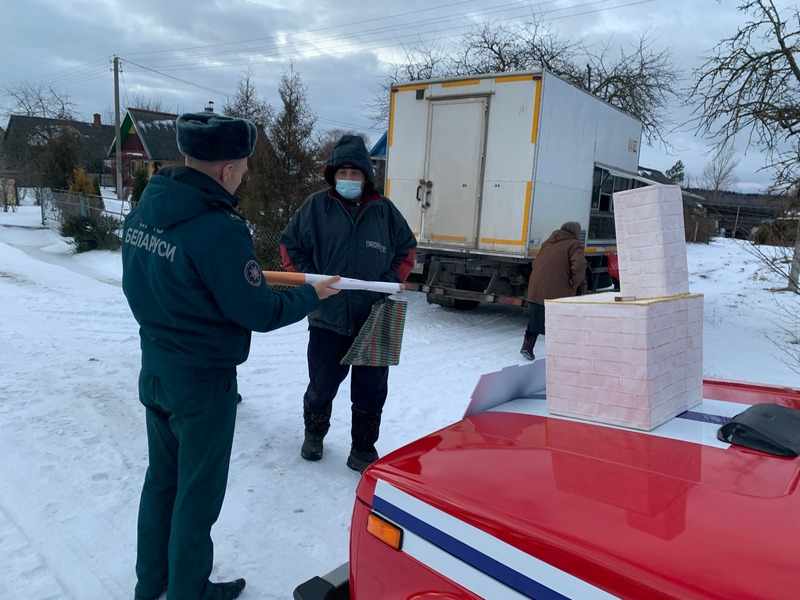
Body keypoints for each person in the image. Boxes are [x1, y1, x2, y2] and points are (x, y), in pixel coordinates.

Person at [122, 112, 340, 600]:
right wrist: (312, 294)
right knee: (196, 495)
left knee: (162, 482)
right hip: (202, 384)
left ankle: (151, 584)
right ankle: (188, 591)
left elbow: (143, 283)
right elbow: (259, 311)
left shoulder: (146, 210)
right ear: (226, 169)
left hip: (155, 369)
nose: (245, 174)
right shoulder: (218, 228)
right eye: (243, 166)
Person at [280, 135, 417, 473]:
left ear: (366, 176)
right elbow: (289, 246)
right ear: (333, 175)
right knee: (322, 384)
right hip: (328, 314)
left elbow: (407, 249)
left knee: (371, 390)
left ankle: (363, 448)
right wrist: (311, 282)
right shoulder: (316, 207)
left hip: (376, 315)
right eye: (343, 172)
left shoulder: (385, 211)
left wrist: (387, 281)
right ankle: (314, 434)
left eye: (355, 173)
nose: (349, 179)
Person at [521, 222, 586, 361]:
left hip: (536, 288)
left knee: (535, 319)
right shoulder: (574, 244)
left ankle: (527, 347)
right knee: (558, 322)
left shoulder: (548, 243)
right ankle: (558, 353)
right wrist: (574, 284)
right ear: (575, 232)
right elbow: (579, 266)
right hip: (558, 291)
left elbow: (535, 263)